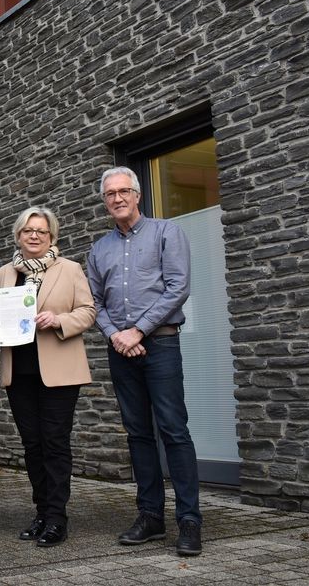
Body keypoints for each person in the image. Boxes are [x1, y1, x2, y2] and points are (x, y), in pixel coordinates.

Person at [86, 166, 202, 557]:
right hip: (120, 351)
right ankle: (151, 516)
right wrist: (116, 335)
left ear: (137, 195)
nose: (116, 199)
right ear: (105, 201)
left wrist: (139, 330)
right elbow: (94, 303)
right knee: (137, 433)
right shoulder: (98, 249)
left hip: (161, 346)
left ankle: (189, 520)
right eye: (109, 194)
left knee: (174, 430)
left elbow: (178, 286)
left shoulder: (167, 232)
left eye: (123, 192)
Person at [0, 206, 96, 548]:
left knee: (54, 443)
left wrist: (59, 320)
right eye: (28, 231)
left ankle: (57, 518)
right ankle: (41, 512)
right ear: (18, 235)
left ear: (52, 237)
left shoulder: (70, 269)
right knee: (32, 446)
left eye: (41, 232)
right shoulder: (5, 273)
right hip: (19, 371)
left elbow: (89, 311)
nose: (34, 236)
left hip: (59, 371)